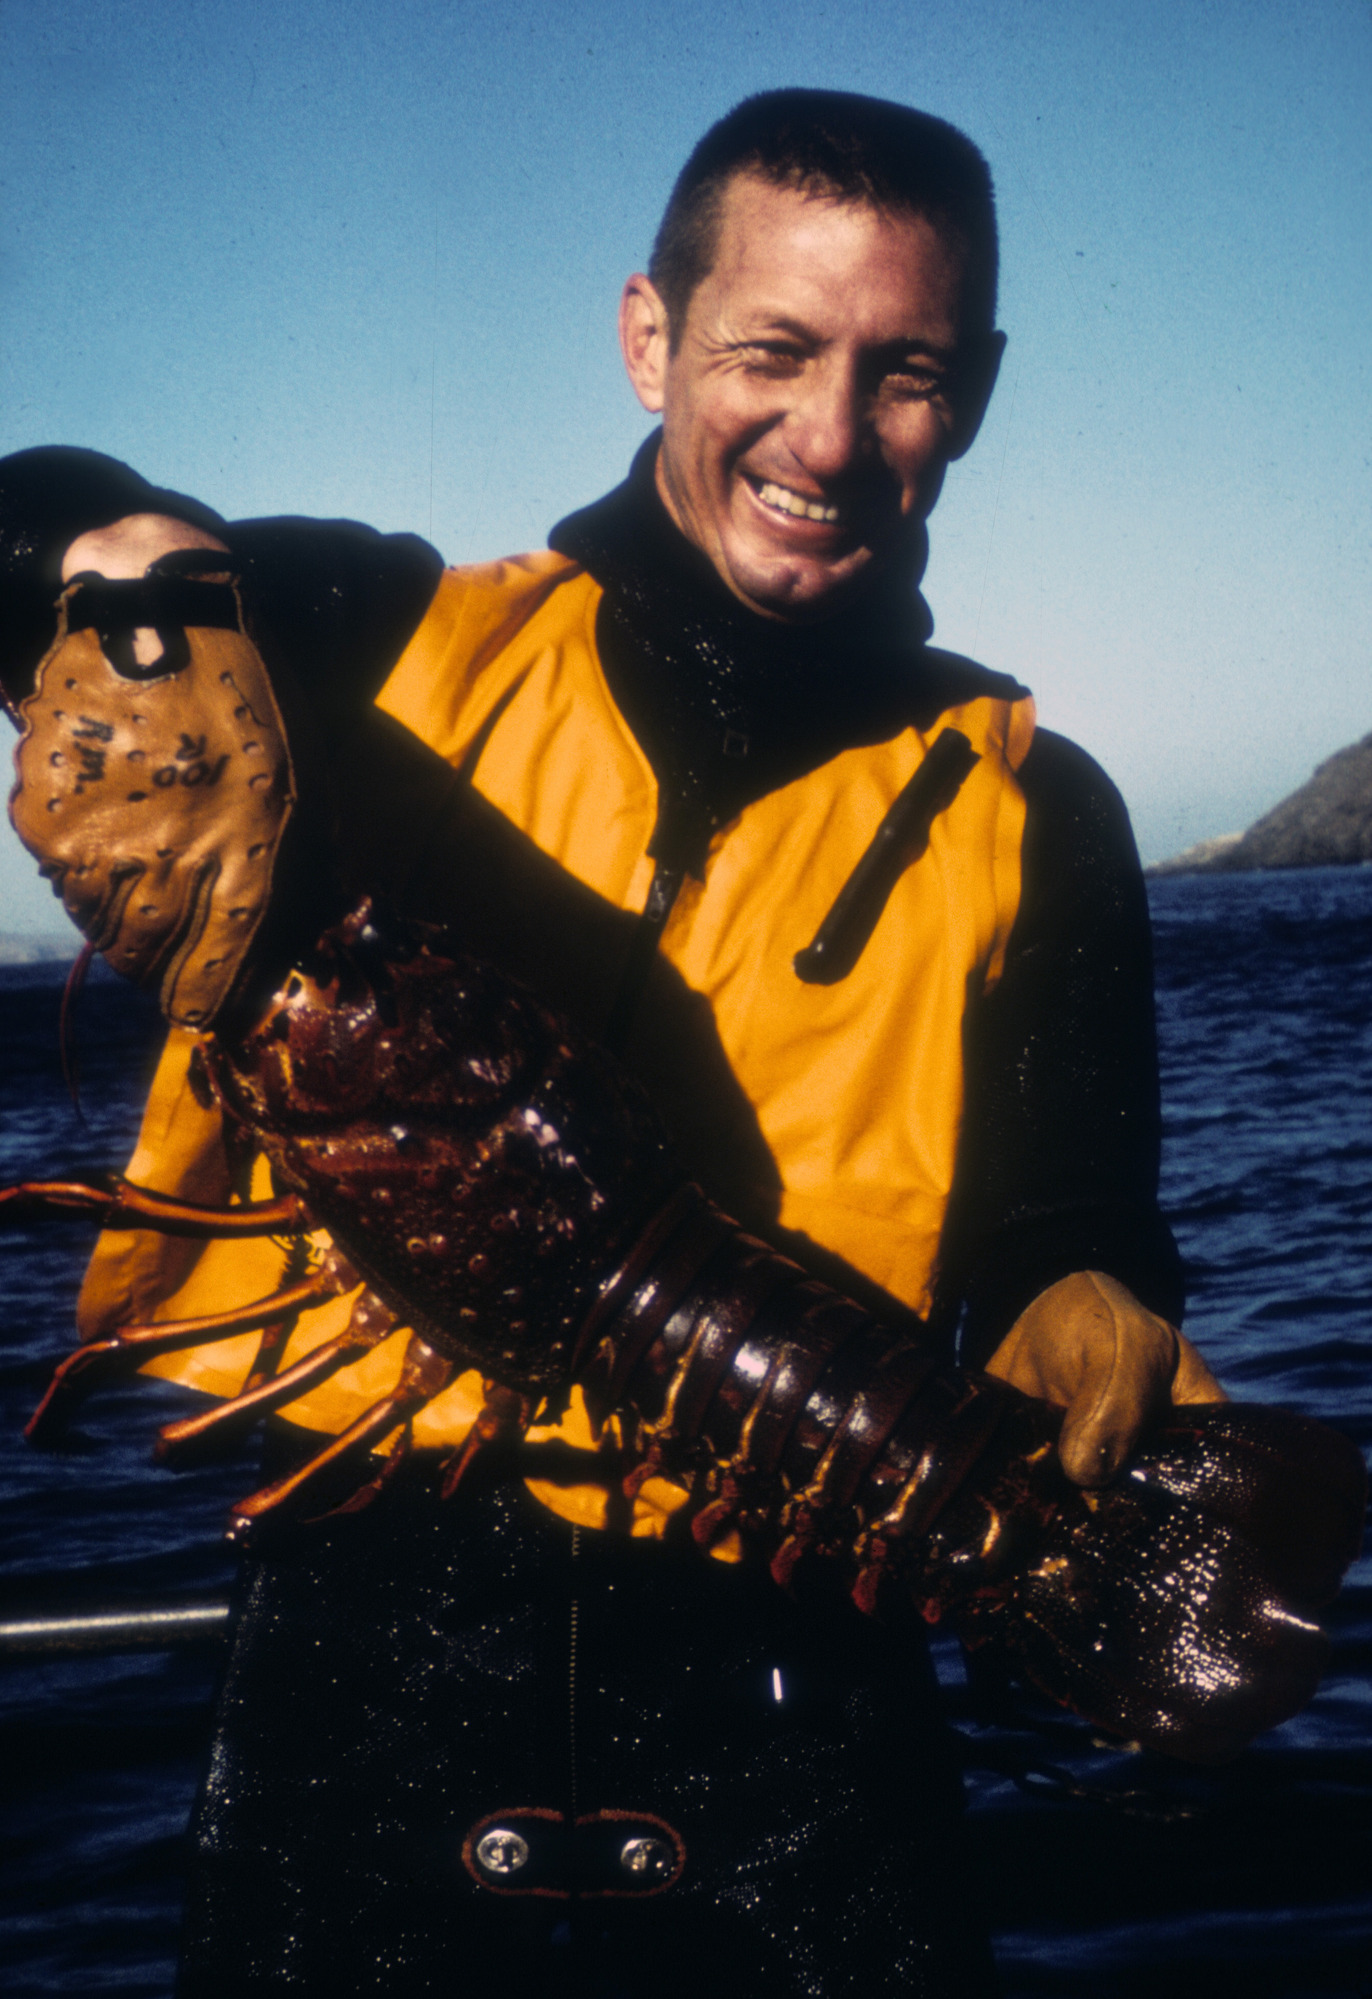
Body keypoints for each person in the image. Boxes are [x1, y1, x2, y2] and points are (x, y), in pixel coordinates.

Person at [0, 90, 1224, 1999]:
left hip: (803, 1685)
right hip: (366, 1660)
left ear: (975, 389)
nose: (826, 436)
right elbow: (38, 521)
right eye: (770, 351)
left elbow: (1067, 1207)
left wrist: (1085, 1287)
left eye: (900, 375)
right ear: (649, 336)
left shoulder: (1036, 808)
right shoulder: (370, 635)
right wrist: (125, 562)